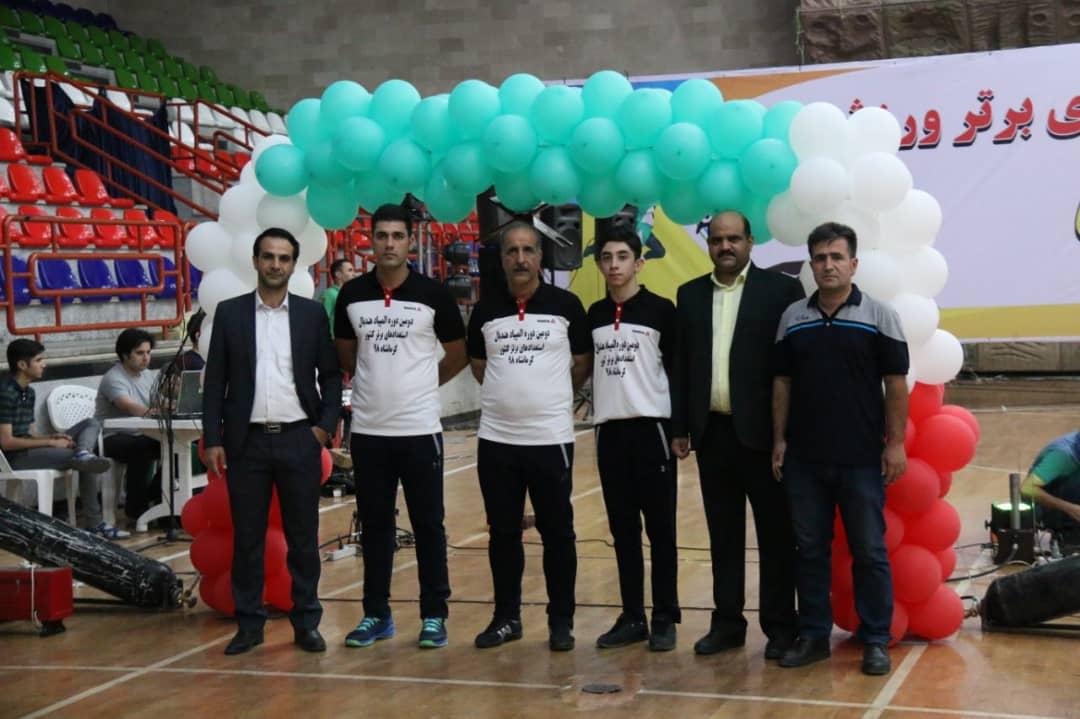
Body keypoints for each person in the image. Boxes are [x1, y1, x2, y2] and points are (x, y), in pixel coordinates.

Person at [771, 221, 909, 676]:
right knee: (810, 550)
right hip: (804, 460)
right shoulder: (793, 318)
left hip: (861, 460)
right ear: (810, 265)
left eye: (836, 257)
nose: (828, 265)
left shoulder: (880, 315)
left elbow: (895, 384)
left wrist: (895, 445)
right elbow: (782, 382)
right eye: (820, 258)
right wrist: (779, 440)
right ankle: (813, 636)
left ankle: (876, 640)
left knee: (869, 551)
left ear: (854, 263)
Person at [202, 227, 342, 656]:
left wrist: (323, 428)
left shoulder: (311, 315)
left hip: (300, 439)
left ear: (294, 265)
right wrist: (213, 438)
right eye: (268, 256)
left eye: (284, 258)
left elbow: (331, 376)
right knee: (247, 539)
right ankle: (249, 625)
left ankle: (307, 622)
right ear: (255, 260)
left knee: (303, 539)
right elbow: (215, 382)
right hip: (247, 444)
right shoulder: (229, 313)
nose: (275, 265)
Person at [670, 210, 804, 659]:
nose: (725, 246)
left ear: (750, 242)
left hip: (765, 438)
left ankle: (781, 627)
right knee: (723, 535)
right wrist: (680, 426)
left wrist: (787, 434)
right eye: (717, 240)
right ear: (708, 244)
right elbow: (682, 365)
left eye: (733, 239)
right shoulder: (689, 295)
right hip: (712, 434)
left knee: (776, 537)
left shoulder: (781, 291)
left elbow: (792, 367)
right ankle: (727, 624)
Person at [334, 203, 467, 650]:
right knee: (375, 527)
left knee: (429, 525)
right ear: (370, 241)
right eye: (382, 235)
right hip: (369, 432)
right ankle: (377, 614)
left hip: (420, 431)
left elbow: (458, 353)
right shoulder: (352, 295)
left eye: (397, 236)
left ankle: (434, 615)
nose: (389, 243)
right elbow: (346, 355)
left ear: (410, 241)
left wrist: (422, 385)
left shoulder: (434, 294)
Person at [467, 220, 592, 652]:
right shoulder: (485, 310)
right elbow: (479, 366)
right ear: (502, 259)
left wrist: (547, 398)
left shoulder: (566, 305)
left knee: (558, 533)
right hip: (497, 441)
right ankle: (507, 618)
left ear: (540, 256)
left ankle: (561, 621)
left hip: (550, 439)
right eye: (512, 251)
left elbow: (581, 363)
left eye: (528, 250)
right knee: (503, 533)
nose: (520, 259)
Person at [587, 225, 680, 651]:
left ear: (639, 263)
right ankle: (632, 616)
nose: (614, 265)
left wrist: (680, 429)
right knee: (623, 531)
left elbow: (677, 371)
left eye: (622, 257)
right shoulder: (594, 314)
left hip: (652, 431)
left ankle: (664, 617)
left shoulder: (661, 310)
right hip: (609, 433)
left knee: (660, 530)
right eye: (606, 257)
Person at [0, 339, 121, 537]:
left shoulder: (28, 392)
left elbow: (29, 434)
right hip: (13, 457)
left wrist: (52, 436)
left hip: (29, 449)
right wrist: (49, 442)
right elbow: (6, 442)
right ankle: (95, 523)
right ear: (22, 365)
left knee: (91, 423)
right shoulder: (5, 393)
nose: (44, 364)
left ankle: (82, 452)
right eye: (39, 360)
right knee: (88, 463)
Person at [95, 328, 162, 525]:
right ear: (125, 355)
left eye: (148, 352)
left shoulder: (148, 375)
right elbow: (128, 405)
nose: (146, 358)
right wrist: (156, 413)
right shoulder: (114, 378)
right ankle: (136, 508)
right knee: (143, 447)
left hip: (141, 433)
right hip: (110, 437)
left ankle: (152, 495)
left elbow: (158, 401)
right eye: (140, 353)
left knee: (176, 446)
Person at [1021, 431, 1080, 545]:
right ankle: (1065, 531)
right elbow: (1026, 489)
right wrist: (1072, 509)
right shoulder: (1061, 456)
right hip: (1048, 506)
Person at [322, 258, 356, 339]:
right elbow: (321, 321)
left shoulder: (350, 294)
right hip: (334, 342)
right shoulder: (329, 294)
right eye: (350, 270)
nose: (354, 274)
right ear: (338, 274)